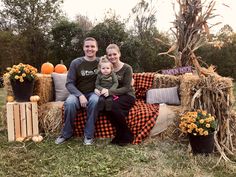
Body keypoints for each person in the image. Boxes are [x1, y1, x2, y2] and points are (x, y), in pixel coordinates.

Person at [55, 37, 99, 145]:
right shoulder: (76, 63)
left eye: (92, 46)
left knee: (95, 101)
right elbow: (69, 83)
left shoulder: (101, 62)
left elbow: (114, 66)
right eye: (87, 46)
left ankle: (88, 136)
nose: (90, 49)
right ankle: (66, 134)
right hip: (77, 93)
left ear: (97, 48)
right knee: (69, 103)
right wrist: (79, 95)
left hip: (94, 93)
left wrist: (129, 76)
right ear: (83, 48)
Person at [103, 44, 136, 146]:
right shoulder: (107, 68)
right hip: (115, 96)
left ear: (119, 54)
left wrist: (110, 92)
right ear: (107, 56)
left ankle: (127, 134)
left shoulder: (127, 68)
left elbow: (127, 88)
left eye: (114, 54)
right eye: (110, 55)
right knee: (104, 105)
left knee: (112, 105)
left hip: (128, 95)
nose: (112, 57)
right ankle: (120, 133)